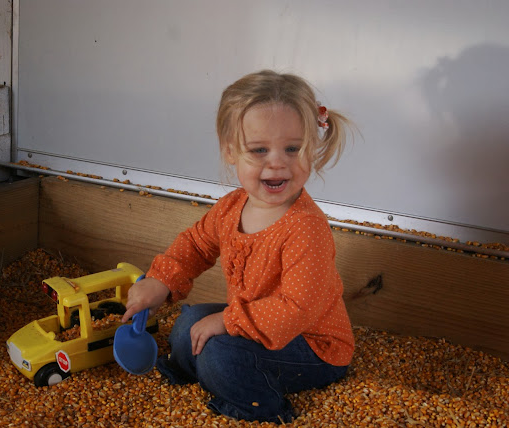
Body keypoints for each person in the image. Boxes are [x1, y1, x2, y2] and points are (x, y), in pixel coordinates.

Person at [121, 70, 355, 423]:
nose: (277, 162)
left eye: (292, 149)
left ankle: (260, 407)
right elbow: (197, 245)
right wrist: (162, 280)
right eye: (259, 150)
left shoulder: (306, 227)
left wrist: (226, 321)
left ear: (311, 147)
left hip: (312, 345)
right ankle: (191, 374)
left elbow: (296, 309)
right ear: (230, 150)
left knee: (221, 355)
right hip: (253, 323)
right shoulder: (232, 206)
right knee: (187, 325)